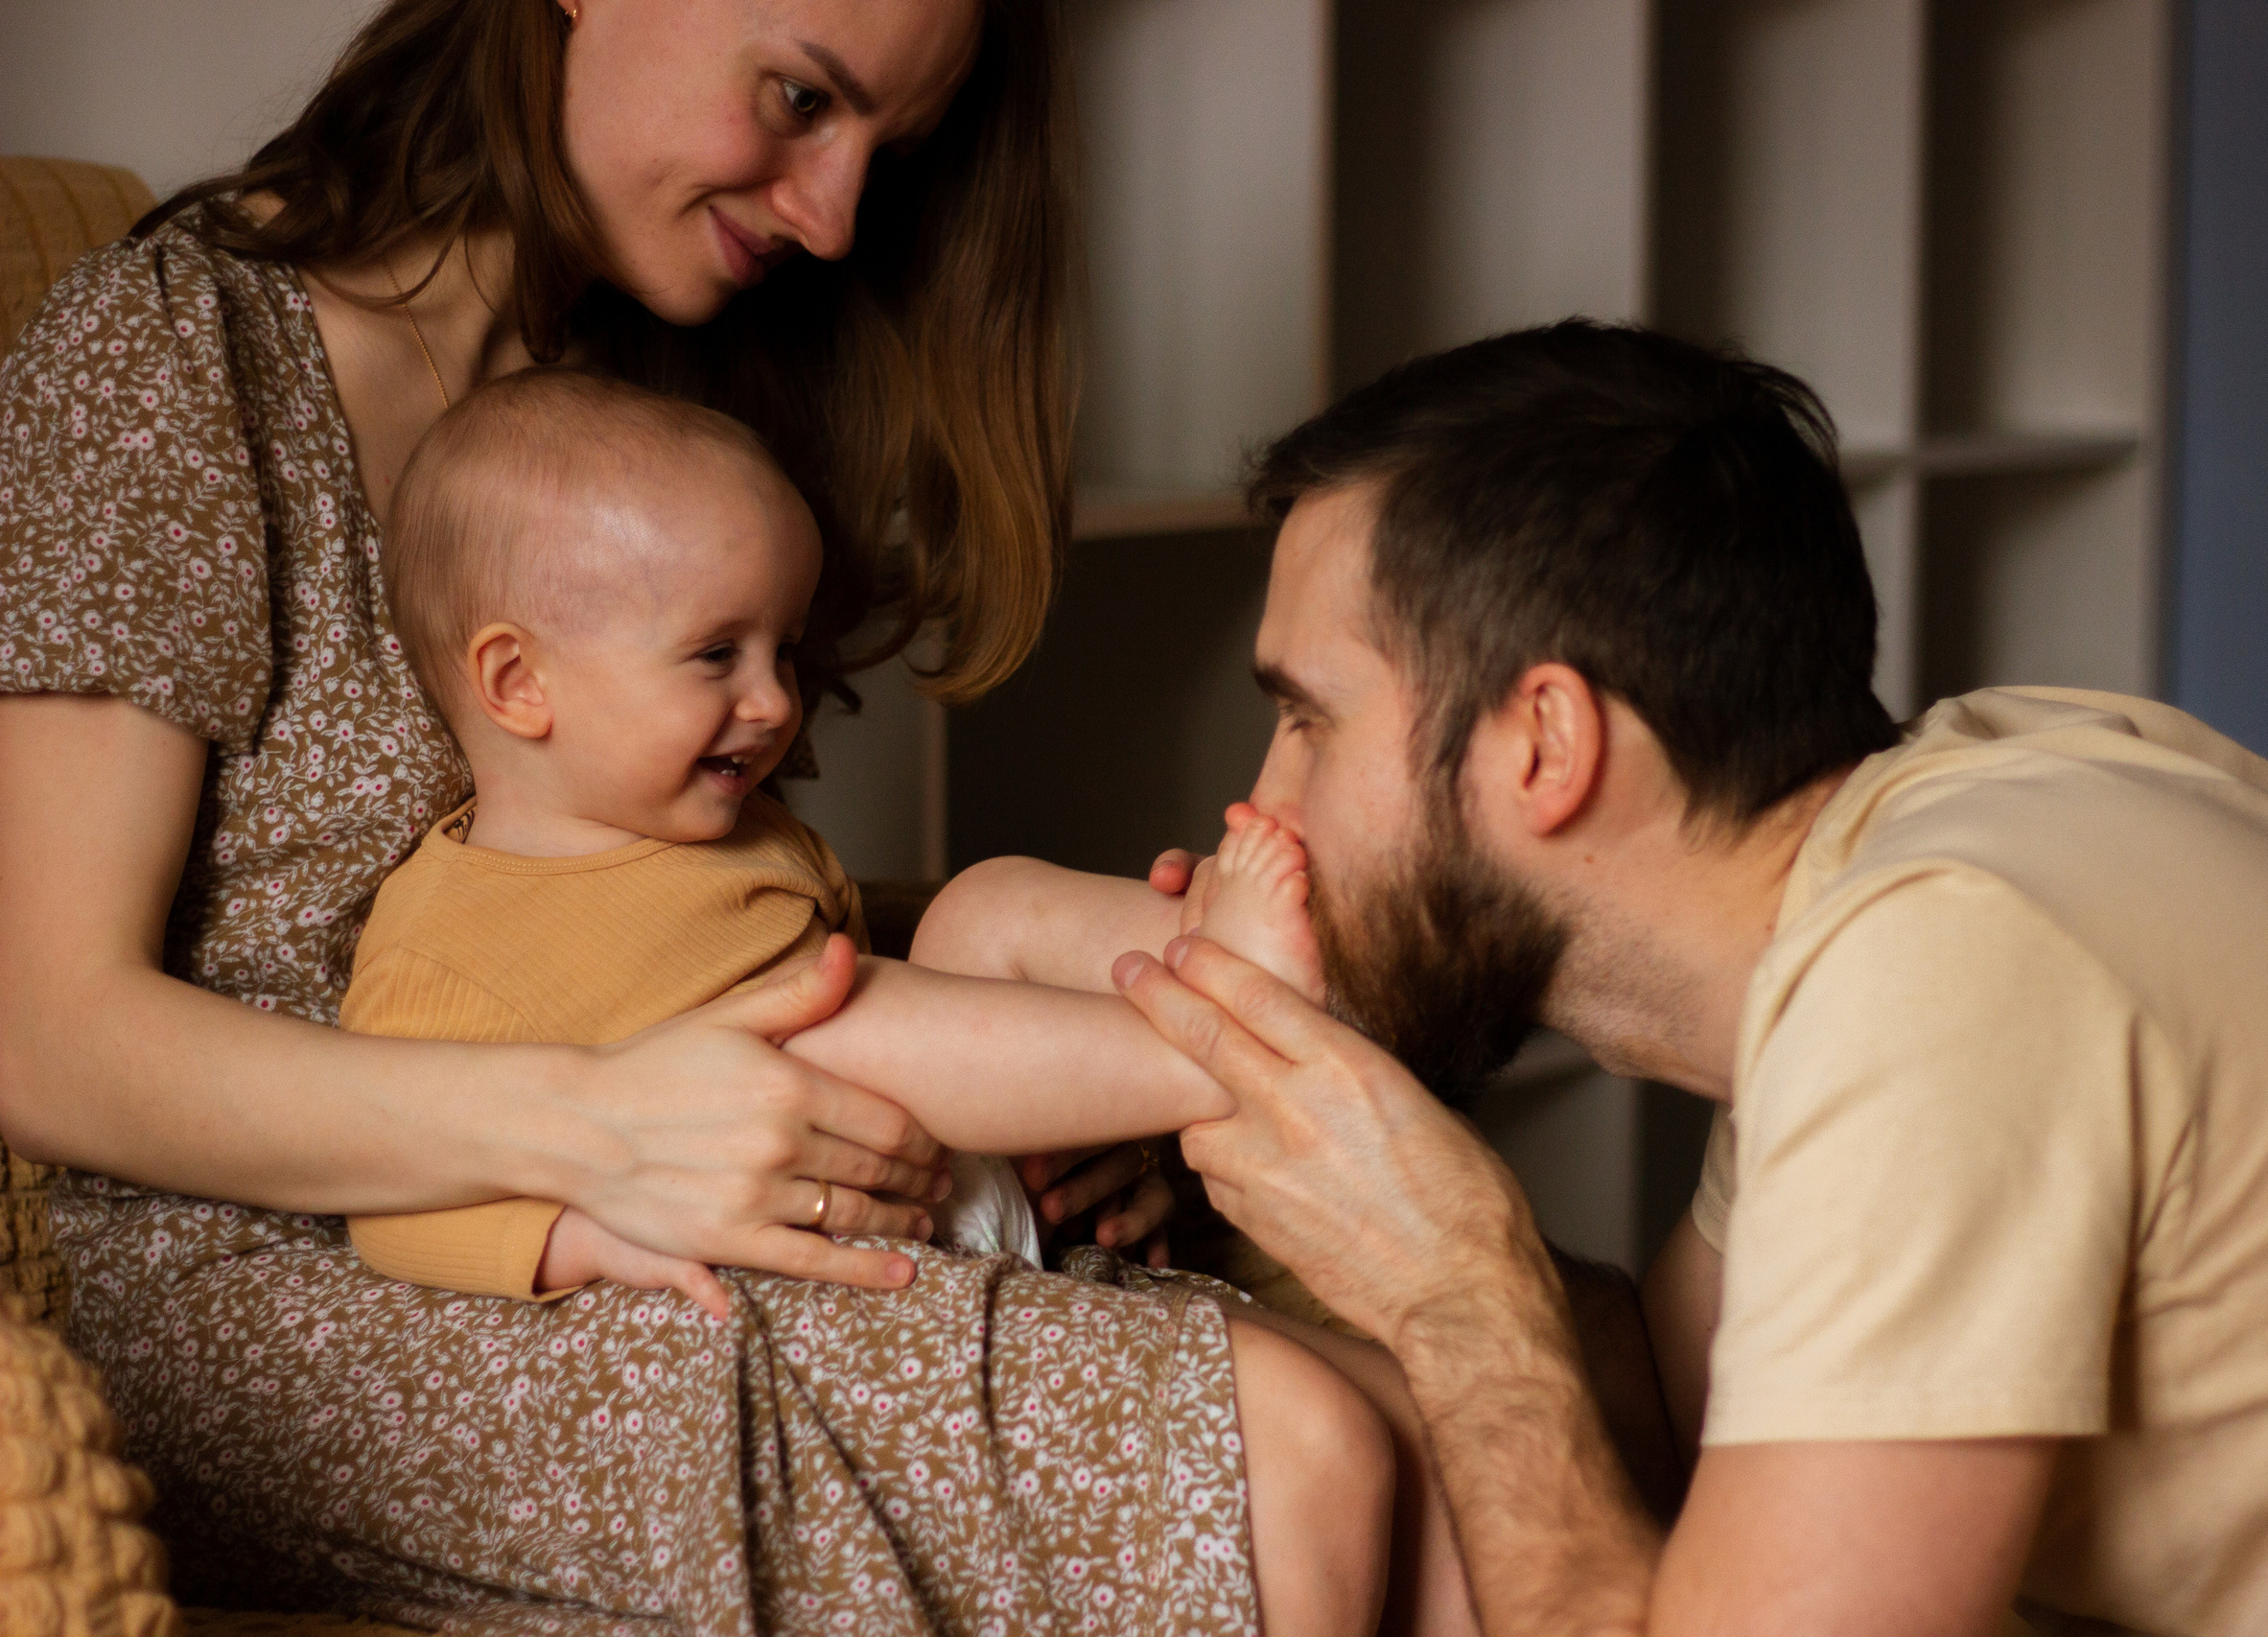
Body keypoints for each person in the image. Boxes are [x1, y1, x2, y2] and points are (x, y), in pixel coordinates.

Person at [0, 0, 1348, 1625]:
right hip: (286, 1285)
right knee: (1302, 1450)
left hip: (683, 1167)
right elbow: (43, 1034)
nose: (835, 218)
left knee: (1384, 1406)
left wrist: (1050, 1071)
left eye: (889, 153)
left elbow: (717, 926)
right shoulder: (174, 354)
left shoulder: (651, 400)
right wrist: (599, 1126)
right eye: (797, 98)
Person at [1110, 320, 2268, 1636]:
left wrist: (1459, 1290)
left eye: (1308, 722)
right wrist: (1312, 1201)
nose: (1257, 807)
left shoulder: (1935, 973)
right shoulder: (1949, 835)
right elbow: (1674, 1420)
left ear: (1544, 745)